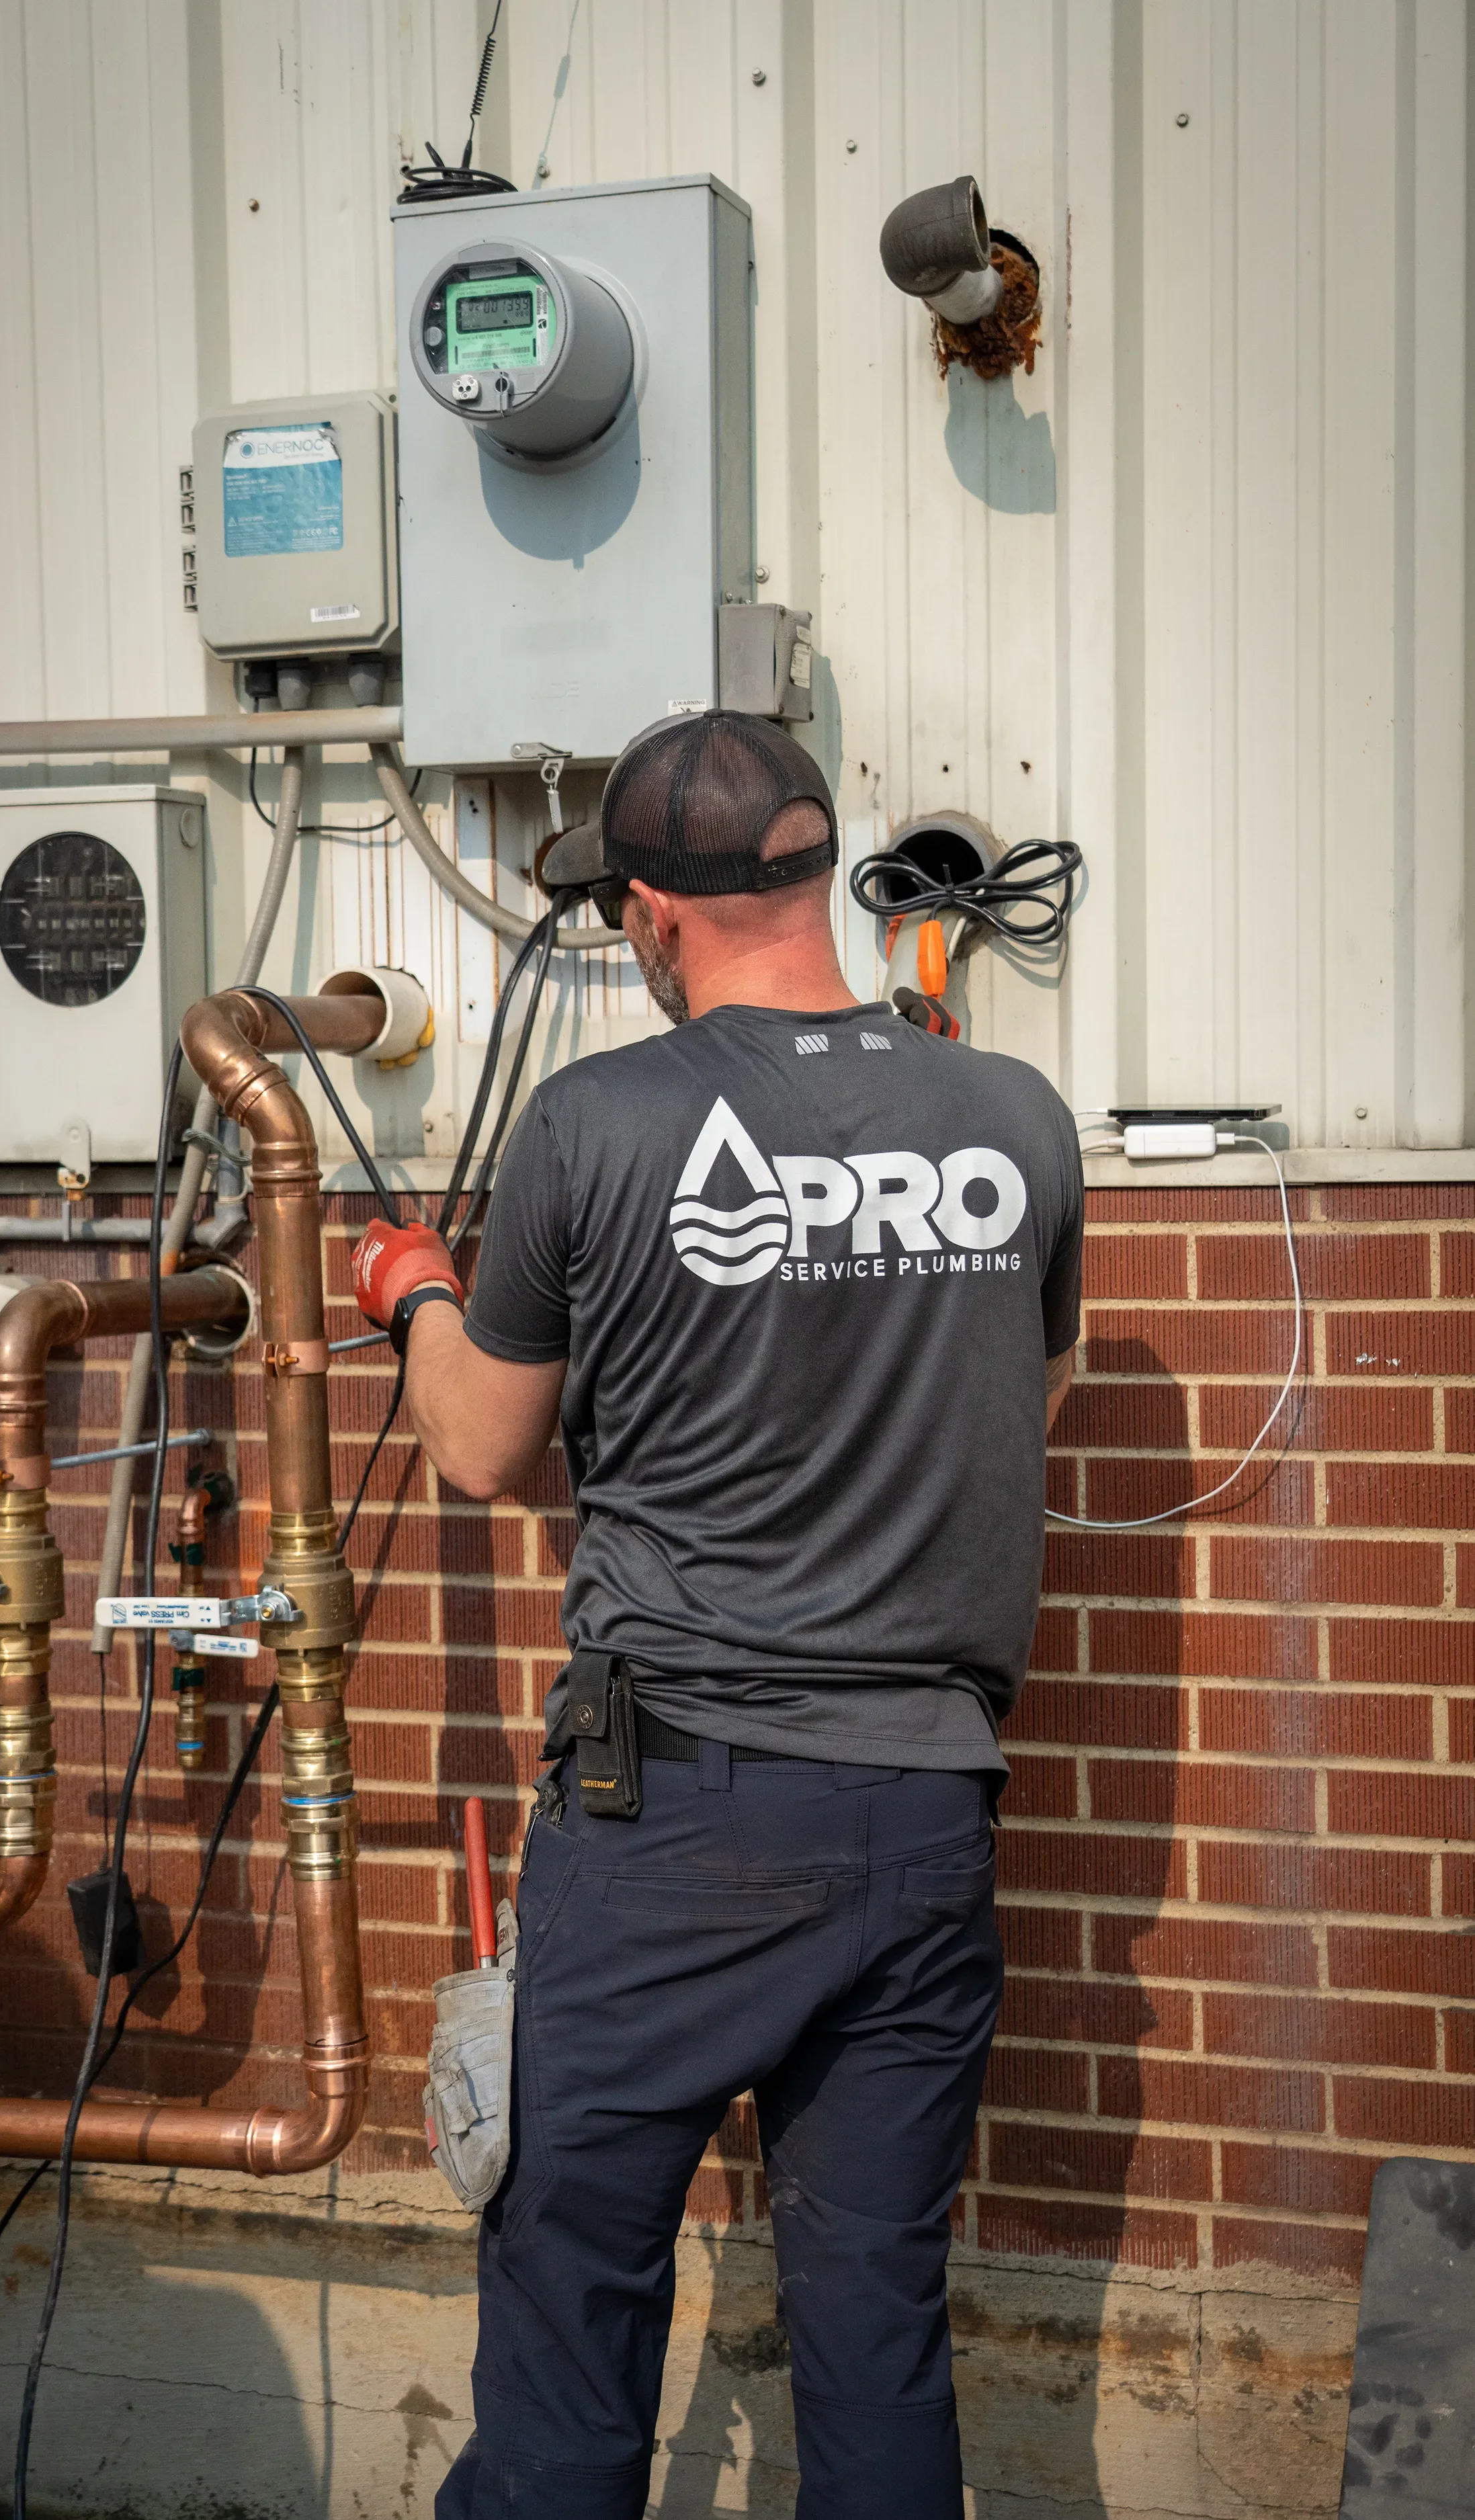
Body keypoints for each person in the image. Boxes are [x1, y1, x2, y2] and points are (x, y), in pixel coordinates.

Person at [350, 710, 1084, 2520]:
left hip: (672, 1817)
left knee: (574, 2300)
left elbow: (481, 1449)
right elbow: (1025, 1398)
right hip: (925, 1815)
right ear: (808, 872)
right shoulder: (1010, 1117)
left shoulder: (597, 1123)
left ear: (655, 913)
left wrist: (412, 1293)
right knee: (871, 2326)